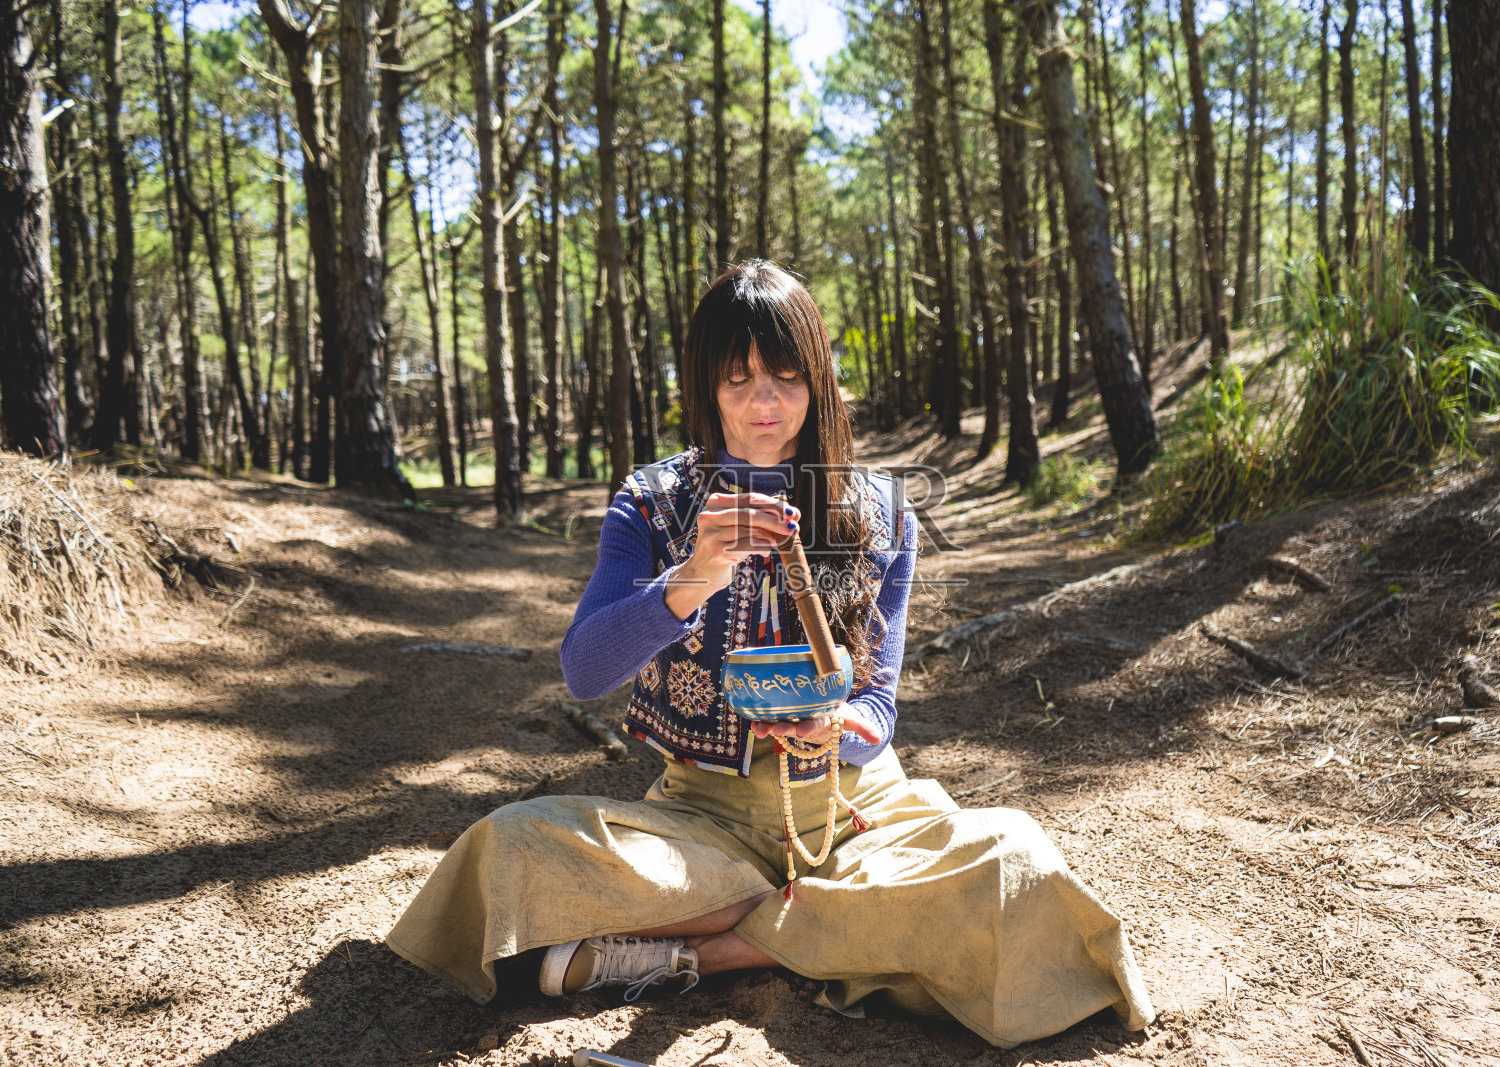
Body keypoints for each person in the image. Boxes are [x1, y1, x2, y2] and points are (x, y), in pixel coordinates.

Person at [385, 261, 1154, 1049]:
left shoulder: (881, 509)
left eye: (787, 377)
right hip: (698, 821)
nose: (764, 401)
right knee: (507, 844)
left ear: (817, 381)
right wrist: (687, 580)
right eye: (738, 377)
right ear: (704, 385)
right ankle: (838, 926)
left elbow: (879, 709)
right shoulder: (649, 503)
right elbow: (584, 670)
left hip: (860, 816)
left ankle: (702, 953)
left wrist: (839, 727)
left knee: (1014, 854)